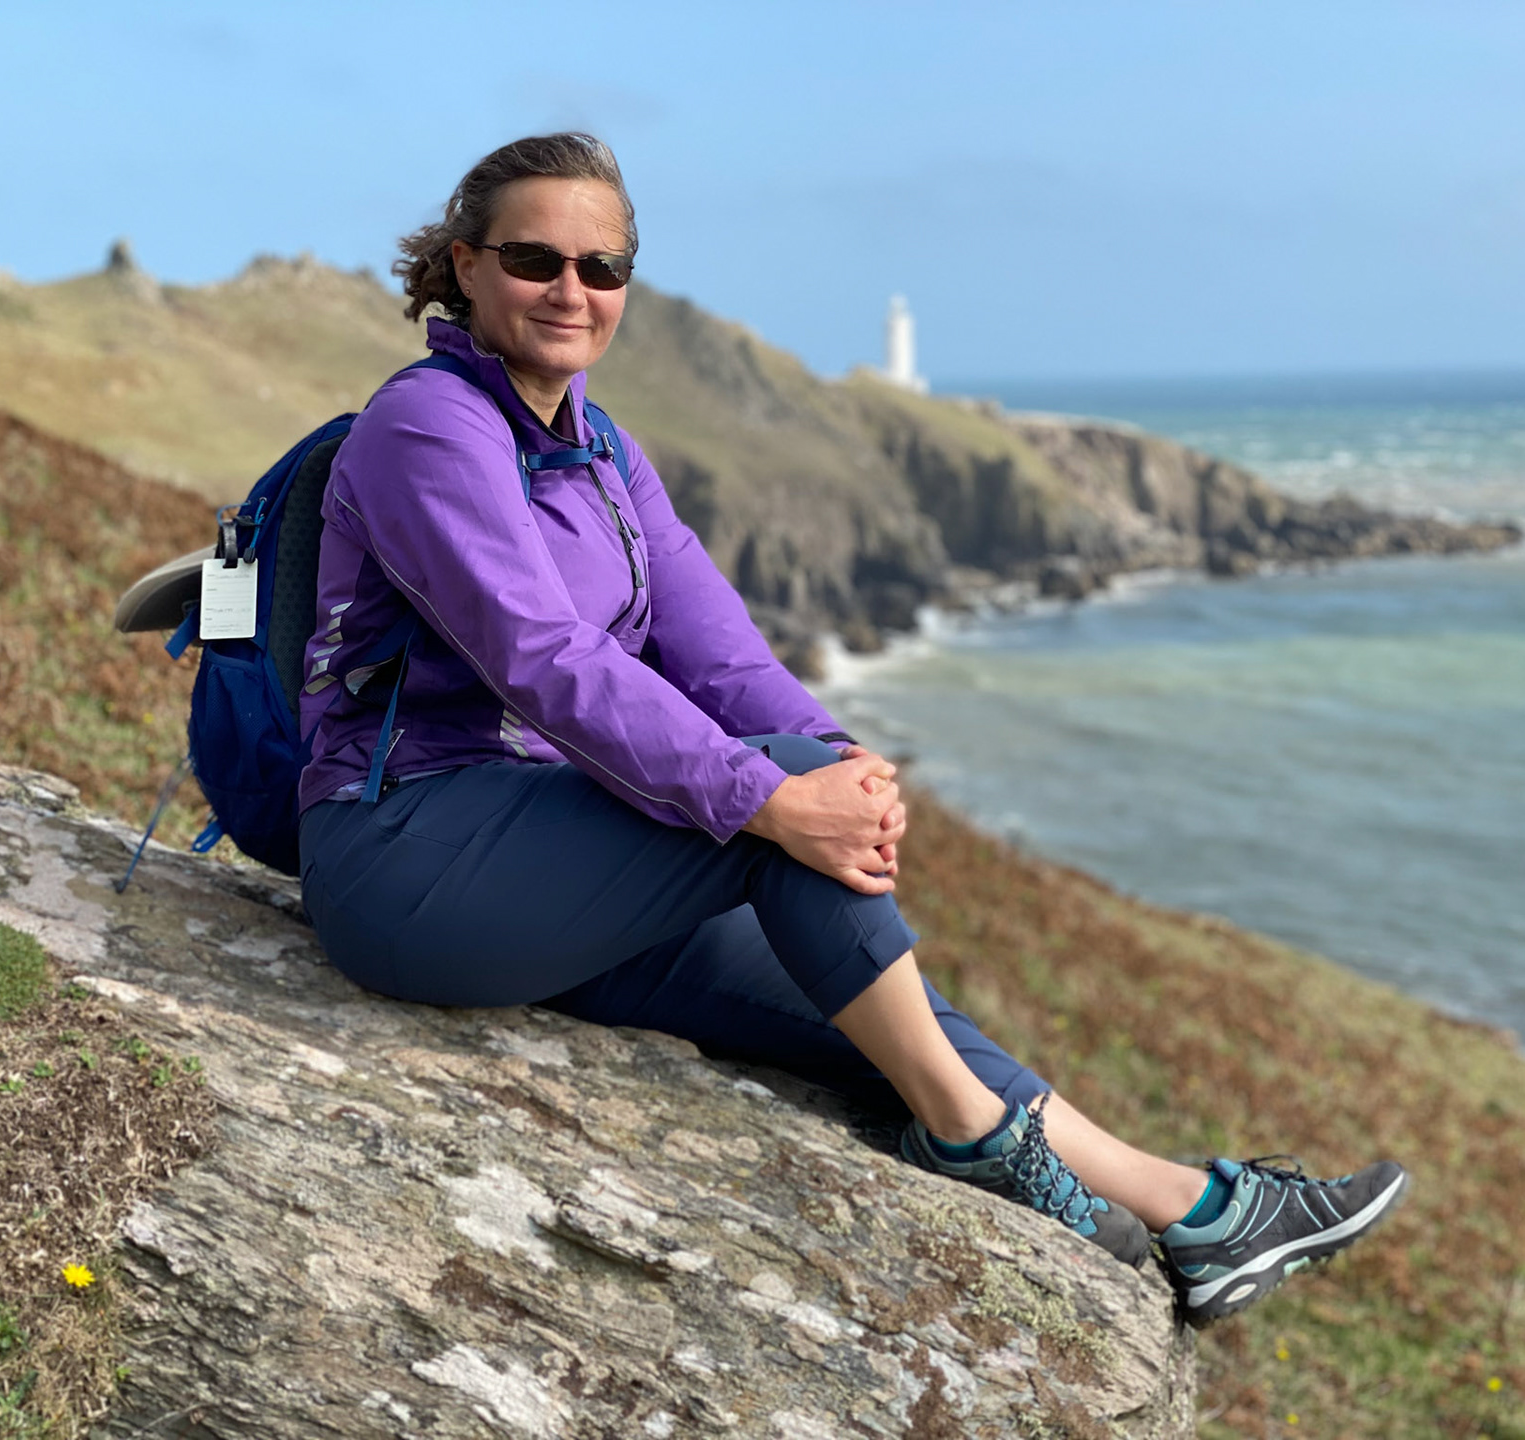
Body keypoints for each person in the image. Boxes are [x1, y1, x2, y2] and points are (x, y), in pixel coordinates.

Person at [294, 132, 1408, 1325]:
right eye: (534, 259)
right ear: (464, 266)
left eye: (602, 268)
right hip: (407, 855)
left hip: (553, 858)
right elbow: (544, 664)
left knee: (881, 1009)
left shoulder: (605, 453)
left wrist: (844, 766)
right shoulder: (430, 428)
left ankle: (1198, 1215)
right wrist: (771, 797)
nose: (572, 291)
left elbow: (721, 653)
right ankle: (976, 1140)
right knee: (790, 826)